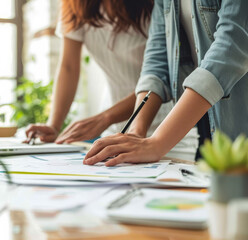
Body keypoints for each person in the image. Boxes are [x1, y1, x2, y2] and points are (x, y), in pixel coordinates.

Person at [83, 0, 248, 166]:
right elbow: (157, 60)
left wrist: (157, 142)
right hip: (208, 128)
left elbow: (232, 47)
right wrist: (136, 131)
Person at [25, 0, 199, 160]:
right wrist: (54, 126)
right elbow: (68, 67)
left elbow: (160, 75)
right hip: (115, 131)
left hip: (168, 127)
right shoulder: (75, 5)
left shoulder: (154, 5)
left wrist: (106, 117)